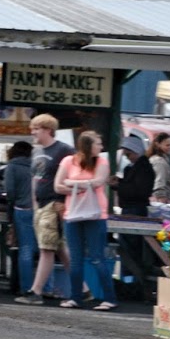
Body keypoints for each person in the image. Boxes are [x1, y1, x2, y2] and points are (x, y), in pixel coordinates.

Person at [54, 130, 116, 311]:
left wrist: (72, 184)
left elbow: (99, 181)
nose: (101, 147)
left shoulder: (102, 162)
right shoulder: (68, 161)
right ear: (88, 145)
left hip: (96, 214)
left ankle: (109, 298)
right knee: (75, 258)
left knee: (97, 257)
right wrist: (83, 186)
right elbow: (57, 185)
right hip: (73, 213)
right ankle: (75, 297)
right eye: (98, 143)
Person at [15, 113, 72, 306]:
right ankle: (84, 289)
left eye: (37, 128)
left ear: (48, 130)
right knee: (60, 248)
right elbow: (35, 177)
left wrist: (64, 202)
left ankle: (36, 291)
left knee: (46, 248)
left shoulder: (64, 150)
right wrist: (34, 203)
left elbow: (73, 174)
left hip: (54, 203)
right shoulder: (36, 151)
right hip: (40, 204)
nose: (33, 132)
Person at [2, 140, 38, 297]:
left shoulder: (12, 166)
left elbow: (10, 192)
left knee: (25, 249)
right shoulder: (36, 166)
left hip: (22, 210)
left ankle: (26, 288)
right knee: (44, 251)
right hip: (39, 209)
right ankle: (45, 287)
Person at [113, 136, 153, 217]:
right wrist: (119, 182)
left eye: (128, 155)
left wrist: (118, 185)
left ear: (136, 151)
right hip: (130, 207)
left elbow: (139, 190)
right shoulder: (132, 167)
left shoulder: (144, 168)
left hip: (135, 209)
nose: (127, 158)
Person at [147, 131, 170, 205]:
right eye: (167, 145)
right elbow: (159, 182)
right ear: (158, 145)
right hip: (164, 202)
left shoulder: (159, 160)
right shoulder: (159, 162)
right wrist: (162, 198)